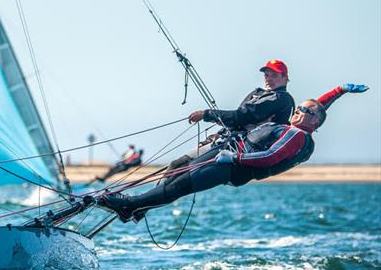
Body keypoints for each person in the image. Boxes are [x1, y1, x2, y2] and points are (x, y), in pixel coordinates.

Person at [97, 84, 368, 222]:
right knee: (173, 177)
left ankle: (128, 205)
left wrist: (233, 157)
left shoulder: (297, 136)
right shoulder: (299, 124)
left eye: (306, 111)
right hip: (226, 155)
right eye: (300, 108)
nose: (299, 110)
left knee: (179, 186)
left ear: (315, 122)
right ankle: (135, 206)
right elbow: (320, 105)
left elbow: (270, 156)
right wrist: (341, 90)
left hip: (231, 166)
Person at [166, 59, 296, 176]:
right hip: (229, 139)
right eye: (267, 75)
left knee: (179, 168)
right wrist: (218, 134)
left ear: (285, 78)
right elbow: (238, 120)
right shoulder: (259, 94)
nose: (269, 79)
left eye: (274, 75)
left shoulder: (281, 99)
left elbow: (240, 117)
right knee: (176, 165)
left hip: (240, 148)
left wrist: (206, 114)